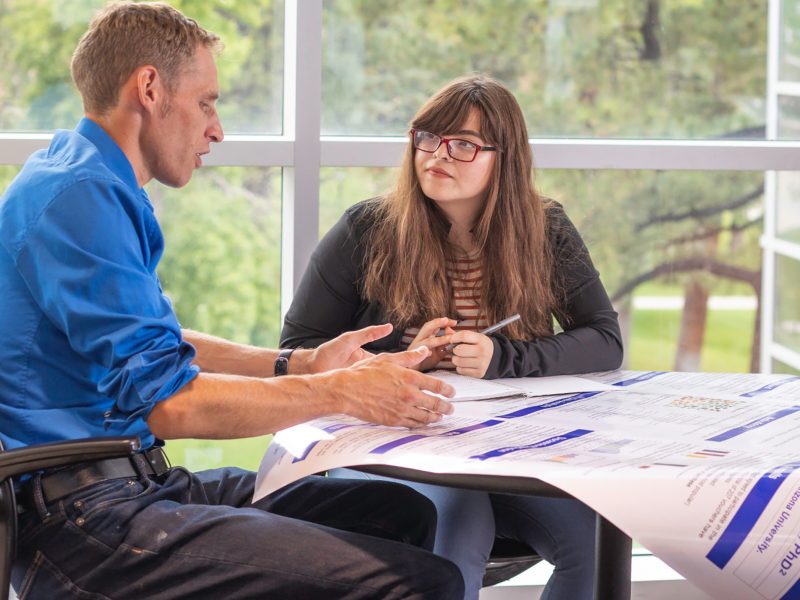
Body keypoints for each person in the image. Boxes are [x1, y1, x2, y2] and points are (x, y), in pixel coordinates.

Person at [0, 3, 465, 599]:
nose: (216, 129)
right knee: (425, 583)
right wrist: (343, 392)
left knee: (396, 514)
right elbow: (174, 406)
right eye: (206, 102)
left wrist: (299, 364)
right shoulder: (80, 196)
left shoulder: (88, 178)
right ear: (149, 88)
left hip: (133, 489)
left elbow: (159, 346)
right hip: (85, 524)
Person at [281, 74, 624, 599]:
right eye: (428, 137)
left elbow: (604, 339)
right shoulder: (367, 229)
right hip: (393, 443)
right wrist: (400, 360)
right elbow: (295, 352)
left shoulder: (545, 228)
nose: (437, 155)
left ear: (503, 159)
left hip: (506, 447)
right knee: (460, 522)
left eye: (463, 144)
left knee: (598, 541)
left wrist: (504, 356)